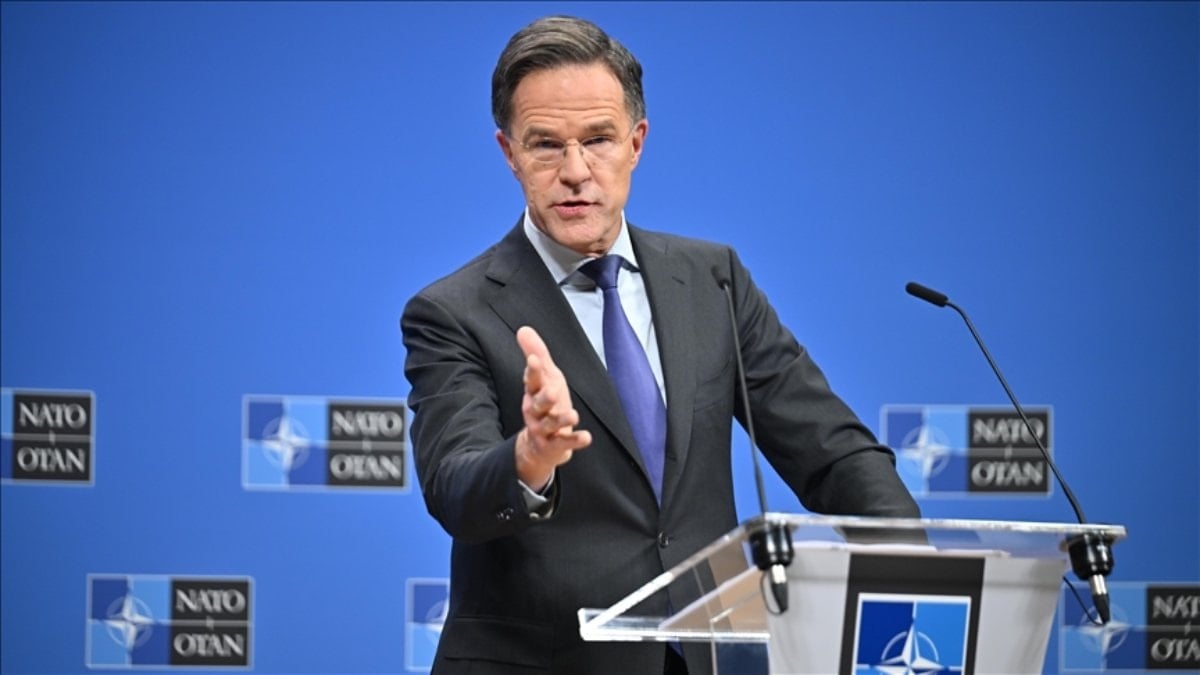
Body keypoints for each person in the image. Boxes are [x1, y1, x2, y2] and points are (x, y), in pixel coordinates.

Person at [401, 15, 920, 675]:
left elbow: (830, 450)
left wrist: (917, 566)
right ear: (509, 153)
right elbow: (456, 487)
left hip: (709, 658)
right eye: (546, 145)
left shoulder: (713, 280)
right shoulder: (453, 311)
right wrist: (529, 458)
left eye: (598, 139)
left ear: (636, 141)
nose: (575, 171)